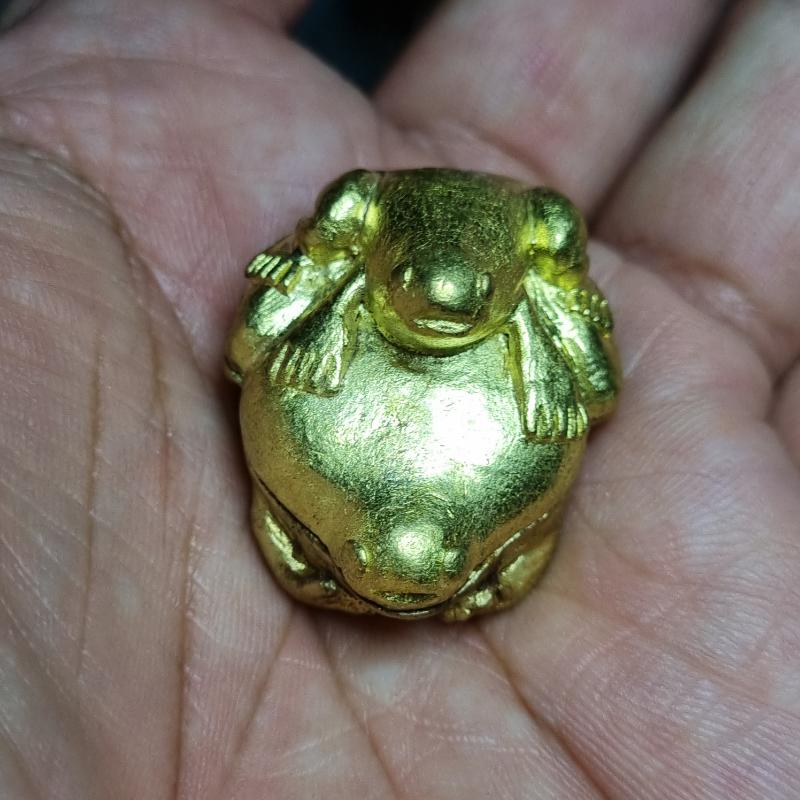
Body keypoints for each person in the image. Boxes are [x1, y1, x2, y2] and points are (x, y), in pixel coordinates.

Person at [0, 1, 798, 797]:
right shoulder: (342, 272)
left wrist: (557, 317)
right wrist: (311, 276)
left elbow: (599, 389)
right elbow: (245, 352)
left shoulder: (538, 303)